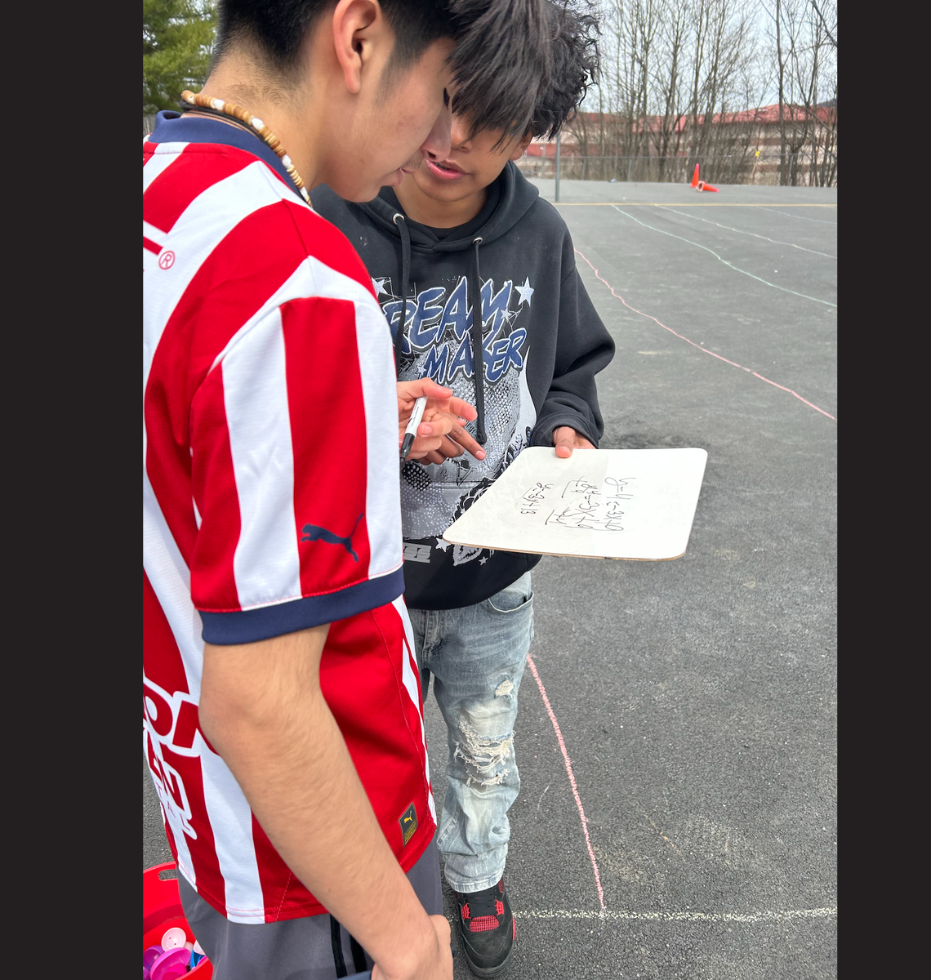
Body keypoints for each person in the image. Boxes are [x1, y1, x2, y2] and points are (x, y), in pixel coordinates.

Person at [142, 2, 553, 979]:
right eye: (440, 89)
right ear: (360, 36)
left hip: (205, 810)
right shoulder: (295, 281)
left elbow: (190, 448)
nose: (435, 135)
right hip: (311, 861)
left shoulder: (161, 196)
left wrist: (364, 411)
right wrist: (407, 940)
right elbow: (264, 704)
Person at [310, 4, 611, 974]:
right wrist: (377, 420)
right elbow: (282, 402)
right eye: (441, 102)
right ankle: (379, 893)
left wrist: (569, 424)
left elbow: (572, 365)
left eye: (490, 118)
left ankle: (474, 873)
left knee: (485, 751)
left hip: (493, 579)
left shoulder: (539, 233)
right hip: (363, 580)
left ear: (531, 127)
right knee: (361, 753)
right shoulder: (325, 218)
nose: (452, 140)